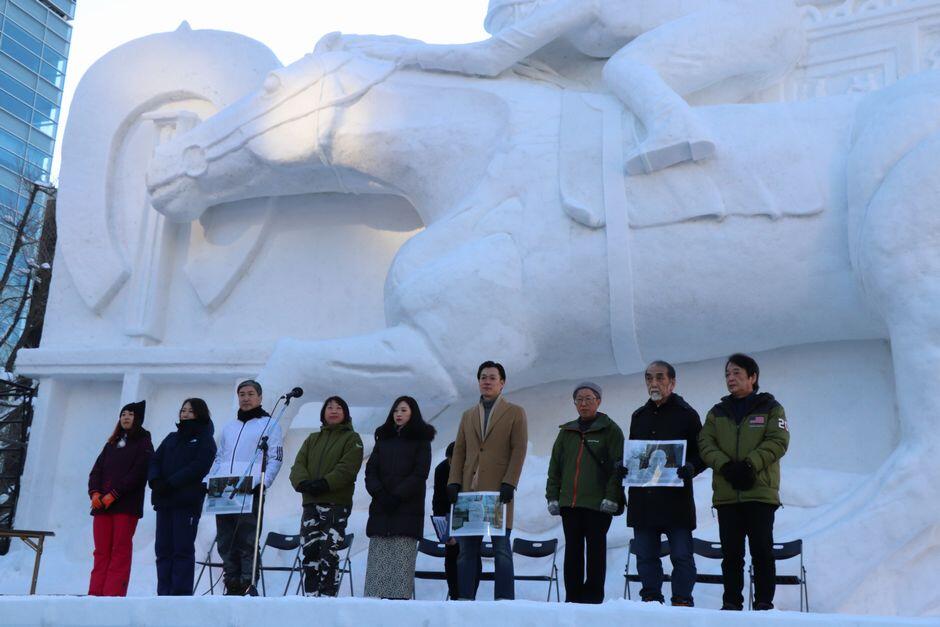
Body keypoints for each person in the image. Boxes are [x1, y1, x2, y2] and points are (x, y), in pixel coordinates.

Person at [699, 353, 790, 611]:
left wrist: (750, 465)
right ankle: (731, 604)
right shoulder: (717, 413)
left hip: (760, 492)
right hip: (728, 495)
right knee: (731, 555)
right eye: (727, 374)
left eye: (737, 373)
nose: (730, 378)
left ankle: (763, 603)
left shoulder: (772, 408)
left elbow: (778, 440)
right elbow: (705, 443)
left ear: (753, 377)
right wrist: (726, 466)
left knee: (762, 551)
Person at [447, 361, 528, 601]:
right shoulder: (468, 415)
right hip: (469, 492)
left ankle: (504, 600)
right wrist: (454, 481)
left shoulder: (514, 412)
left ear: (502, 383)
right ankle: (464, 598)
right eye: (483, 377)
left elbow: (518, 449)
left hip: (498, 491)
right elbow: (460, 450)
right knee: (466, 551)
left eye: (493, 377)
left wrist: (510, 482)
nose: (487, 381)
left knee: (501, 549)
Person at [625, 361, 704, 606]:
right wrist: (625, 466)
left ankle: (682, 601)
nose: (654, 383)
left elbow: (703, 453)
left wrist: (692, 467)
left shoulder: (687, 414)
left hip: (675, 500)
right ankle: (651, 600)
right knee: (646, 555)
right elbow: (636, 454)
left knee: (681, 555)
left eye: (659, 377)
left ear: (672, 382)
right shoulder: (638, 416)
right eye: (649, 378)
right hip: (644, 499)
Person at [545, 381, 624, 604]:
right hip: (570, 503)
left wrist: (611, 496)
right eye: (579, 399)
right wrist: (552, 496)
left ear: (598, 401)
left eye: (589, 398)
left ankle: (593, 598)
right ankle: (573, 597)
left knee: (596, 552)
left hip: (598, 504)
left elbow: (618, 467)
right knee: (573, 552)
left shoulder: (611, 430)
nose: (584, 403)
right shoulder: (567, 432)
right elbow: (555, 467)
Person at [209, 380, 284, 596]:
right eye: (241, 394)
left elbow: (275, 457)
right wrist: (209, 479)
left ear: (260, 397)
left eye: (250, 393)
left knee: (247, 539)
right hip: (223, 487)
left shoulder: (269, 424)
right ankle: (231, 583)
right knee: (225, 540)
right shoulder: (230, 427)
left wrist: (263, 482)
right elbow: (220, 456)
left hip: (250, 487)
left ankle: (247, 584)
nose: (245, 398)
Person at [290, 396, 364, 596]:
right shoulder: (312, 439)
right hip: (311, 504)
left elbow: (347, 469)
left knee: (328, 551)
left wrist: (324, 483)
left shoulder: (352, 439)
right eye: (329, 407)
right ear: (323, 413)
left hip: (335, 504)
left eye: (339, 407)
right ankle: (311, 595)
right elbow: (298, 465)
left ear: (345, 413)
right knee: (310, 550)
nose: (333, 410)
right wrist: (303, 483)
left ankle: (328, 596)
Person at [363, 396, 436, 599]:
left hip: (406, 511)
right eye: (396, 410)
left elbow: (420, 474)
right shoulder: (383, 439)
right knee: (377, 579)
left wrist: (396, 496)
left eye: (403, 410)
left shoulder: (421, 441)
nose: (399, 414)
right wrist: (380, 493)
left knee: (399, 574)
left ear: (413, 413)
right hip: (381, 510)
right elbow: (371, 471)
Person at [148, 398, 217, 595]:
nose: (185, 414)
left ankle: (180, 594)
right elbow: (155, 460)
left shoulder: (205, 439)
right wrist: (155, 481)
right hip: (164, 501)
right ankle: (164, 593)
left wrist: (170, 482)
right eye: (183, 410)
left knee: (182, 549)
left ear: (200, 414)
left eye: (190, 411)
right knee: (163, 549)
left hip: (186, 502)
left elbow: (199, 467)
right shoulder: (171, 438)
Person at [87, 400, 153, 596]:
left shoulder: (144, 443)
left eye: (130, 414)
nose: (126, 417)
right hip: (102, 506)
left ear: (138, 419)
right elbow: (96, 471)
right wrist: (95, 493)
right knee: (101, 552)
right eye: (123, 414)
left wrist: (114, 494)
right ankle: (95, 593)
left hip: (126, 506)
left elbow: (138, 473)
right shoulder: (111, 444)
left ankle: (113, 594)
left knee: (119, 551)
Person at [432, 442, 482, 600]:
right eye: (450, 461)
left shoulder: (475, 469)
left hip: (472, 516)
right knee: (452, 554)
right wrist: (444, 531)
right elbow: (438, 501)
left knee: (472, 553)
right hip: (450, 515)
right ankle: (455, 595)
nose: (452, 465)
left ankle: (470, 594)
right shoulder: (441, 470)